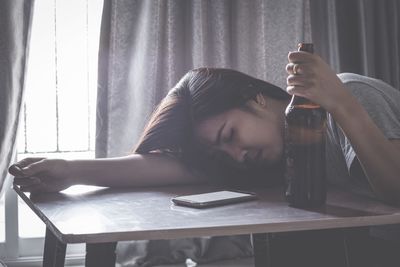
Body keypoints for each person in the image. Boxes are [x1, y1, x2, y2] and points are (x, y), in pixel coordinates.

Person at [8, 50, 400, 265]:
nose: (236, 155)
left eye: (229, 135)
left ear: (256, 98)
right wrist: (72, 170)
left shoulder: (350, 96)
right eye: (221, 153)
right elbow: (171, 167)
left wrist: (343, 105)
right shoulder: (275, 156)